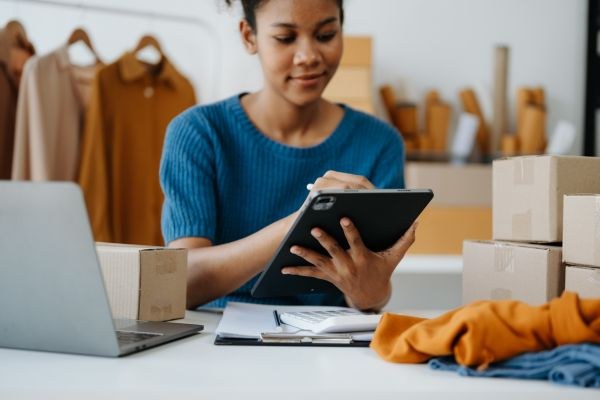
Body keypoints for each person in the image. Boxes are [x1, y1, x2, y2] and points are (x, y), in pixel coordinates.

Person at [160, 0, 416, 312]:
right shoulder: (199, 133)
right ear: (249, 36)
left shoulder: (380, 143)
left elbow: (372, 296)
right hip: (215, 343)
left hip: (329, 347)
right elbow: (180, 284)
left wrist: (370, 290)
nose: (308, 56)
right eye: (285, 38)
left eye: (325, 35)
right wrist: (299, 223)